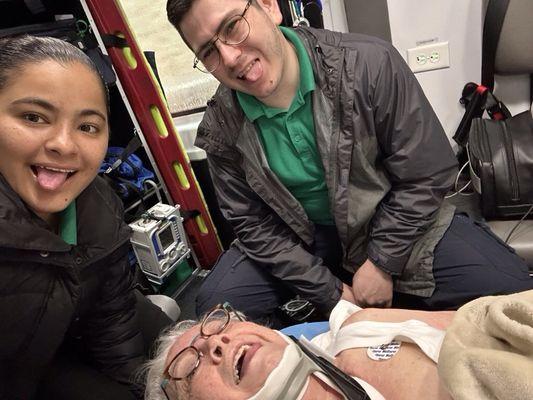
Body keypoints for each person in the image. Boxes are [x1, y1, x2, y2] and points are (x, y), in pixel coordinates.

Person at [165, 0, 533, 325]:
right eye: (209, 51)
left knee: (515, 296)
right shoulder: (220, 125)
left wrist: (381, 262)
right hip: (300, 239)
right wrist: (330, 293)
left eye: (233, 27)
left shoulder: (370, 64)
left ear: (269, 6)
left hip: (390, 220)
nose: (230, 57)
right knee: (216, 310)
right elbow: (252, 223)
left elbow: (426, 173)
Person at [0, 35, 172, 400]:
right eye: (33, 117)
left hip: (67, 328)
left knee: (167, 331)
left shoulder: (99, 206)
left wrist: (139, 390)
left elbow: (113, 318)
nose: (64, 144)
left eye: (87, 127)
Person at [144, 290, 533, 400]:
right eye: (189, 365)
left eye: (218, 325)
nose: (219, 343)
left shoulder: (360, 328)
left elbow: (485, 317)